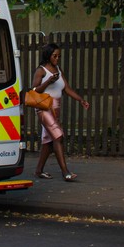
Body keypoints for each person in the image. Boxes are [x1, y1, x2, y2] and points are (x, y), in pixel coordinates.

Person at [31, 43, 88, 181]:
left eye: (59, 56)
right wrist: (48, 81)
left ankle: (38, 171)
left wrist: (80, 100)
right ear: (48, 55)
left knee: (49, 142)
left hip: (55, 108)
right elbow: (34, 90)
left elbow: (66, 88)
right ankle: (65, 172)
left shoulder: (58, 69)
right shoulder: (41, 70)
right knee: (58, 136)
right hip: (44, 108)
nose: (57, 58)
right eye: (54, 56)